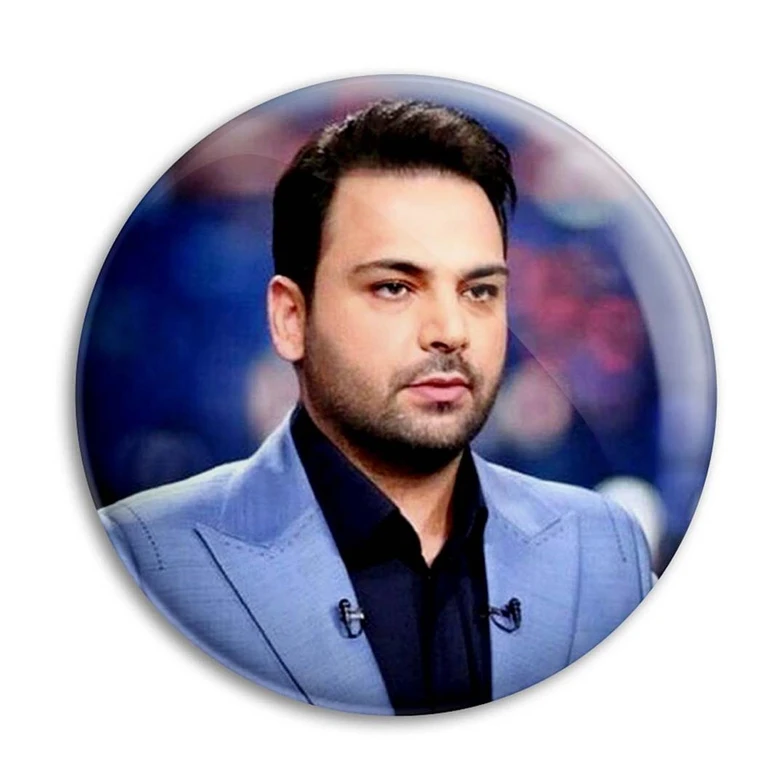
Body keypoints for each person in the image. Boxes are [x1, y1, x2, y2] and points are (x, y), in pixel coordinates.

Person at [99, 99, 652, 715]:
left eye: (478, 291)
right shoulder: (140, 562)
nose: (450, 331)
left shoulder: (607, 551)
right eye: (394, 287)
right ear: (291, 318)